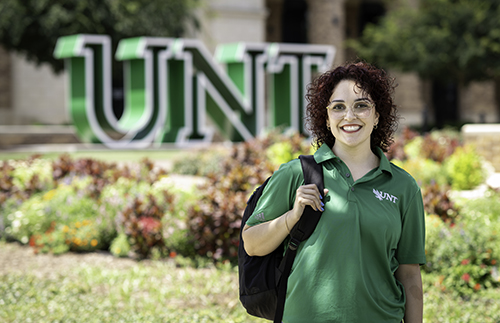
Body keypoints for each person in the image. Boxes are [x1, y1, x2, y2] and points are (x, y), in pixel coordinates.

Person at [242, 62, 425, 323]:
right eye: (338, 107)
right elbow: (251, 244)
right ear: (326, 119)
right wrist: (291, 217)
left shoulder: (403, 187)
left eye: (361, 105)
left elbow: (409, 273)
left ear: (377, 115)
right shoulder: (295, 174)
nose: (349, 116)